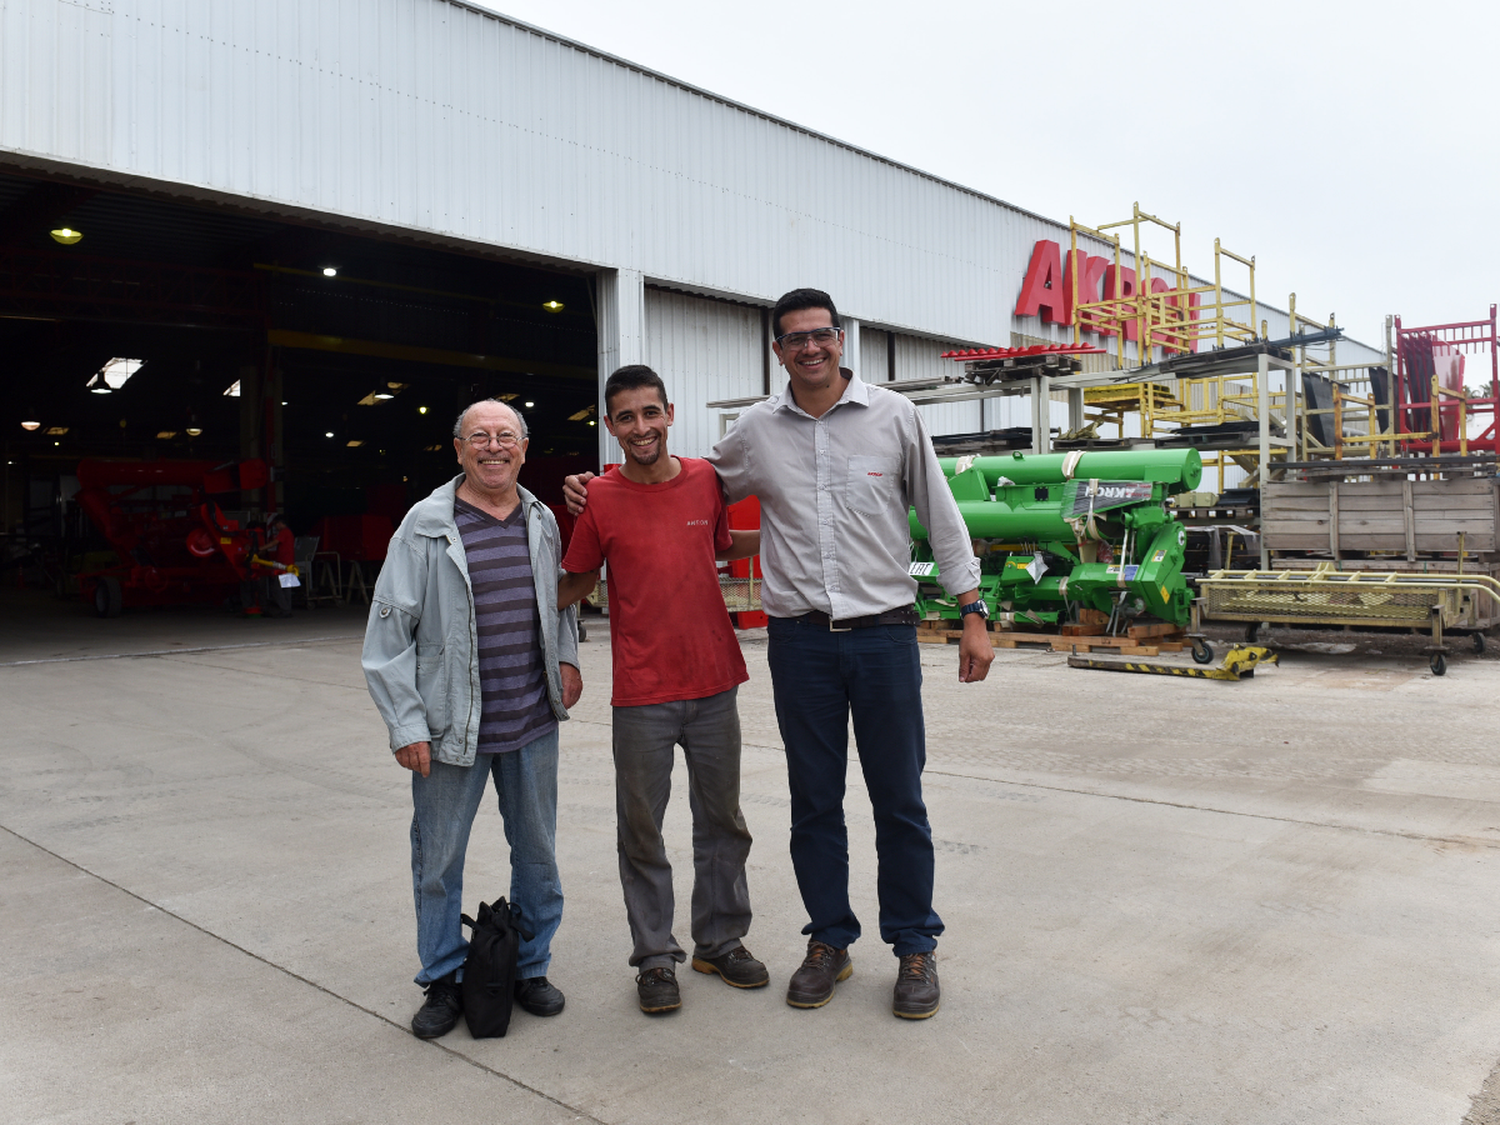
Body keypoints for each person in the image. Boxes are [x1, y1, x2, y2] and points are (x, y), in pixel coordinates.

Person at [566, 288, 992, 1020]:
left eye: (821, 335)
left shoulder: (895, 417)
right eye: (794, 338)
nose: (810, 348)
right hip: (801, 645)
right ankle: (829, 939)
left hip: (887, 635)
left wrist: (974, 609)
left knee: (900, 798)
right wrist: (591, 488)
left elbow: (941, 515)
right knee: (814, 803)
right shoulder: (757, 432)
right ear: (777, 350)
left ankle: (914, 944)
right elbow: (677, 482)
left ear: (839, 340)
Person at [363, 397, 583, 1040]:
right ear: (457, 449)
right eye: (479, 437)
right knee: (438, 860)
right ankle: (443, 976)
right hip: (448, 728)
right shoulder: (425, 524)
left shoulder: (542, 518)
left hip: (533, 720)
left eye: (505, 436)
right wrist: (404, 724)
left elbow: (561, 601)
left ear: (523, 447)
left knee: (538, 855)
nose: (494, 447)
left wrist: (567, 658)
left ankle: (531, 967)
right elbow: (386, 636)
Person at [557, 365, 766, 1016]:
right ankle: (654, 958)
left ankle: (720, 939)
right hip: (642, 691)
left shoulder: (707, 480)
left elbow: (726, 548)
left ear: (670, 413)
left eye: (650, 413)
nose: (641, 427)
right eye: (626, 417)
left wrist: (811, 529)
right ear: (611, 425)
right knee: (641, 830)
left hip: (714, 680)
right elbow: (572, 581)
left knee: (724, 822)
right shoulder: (599, 498)